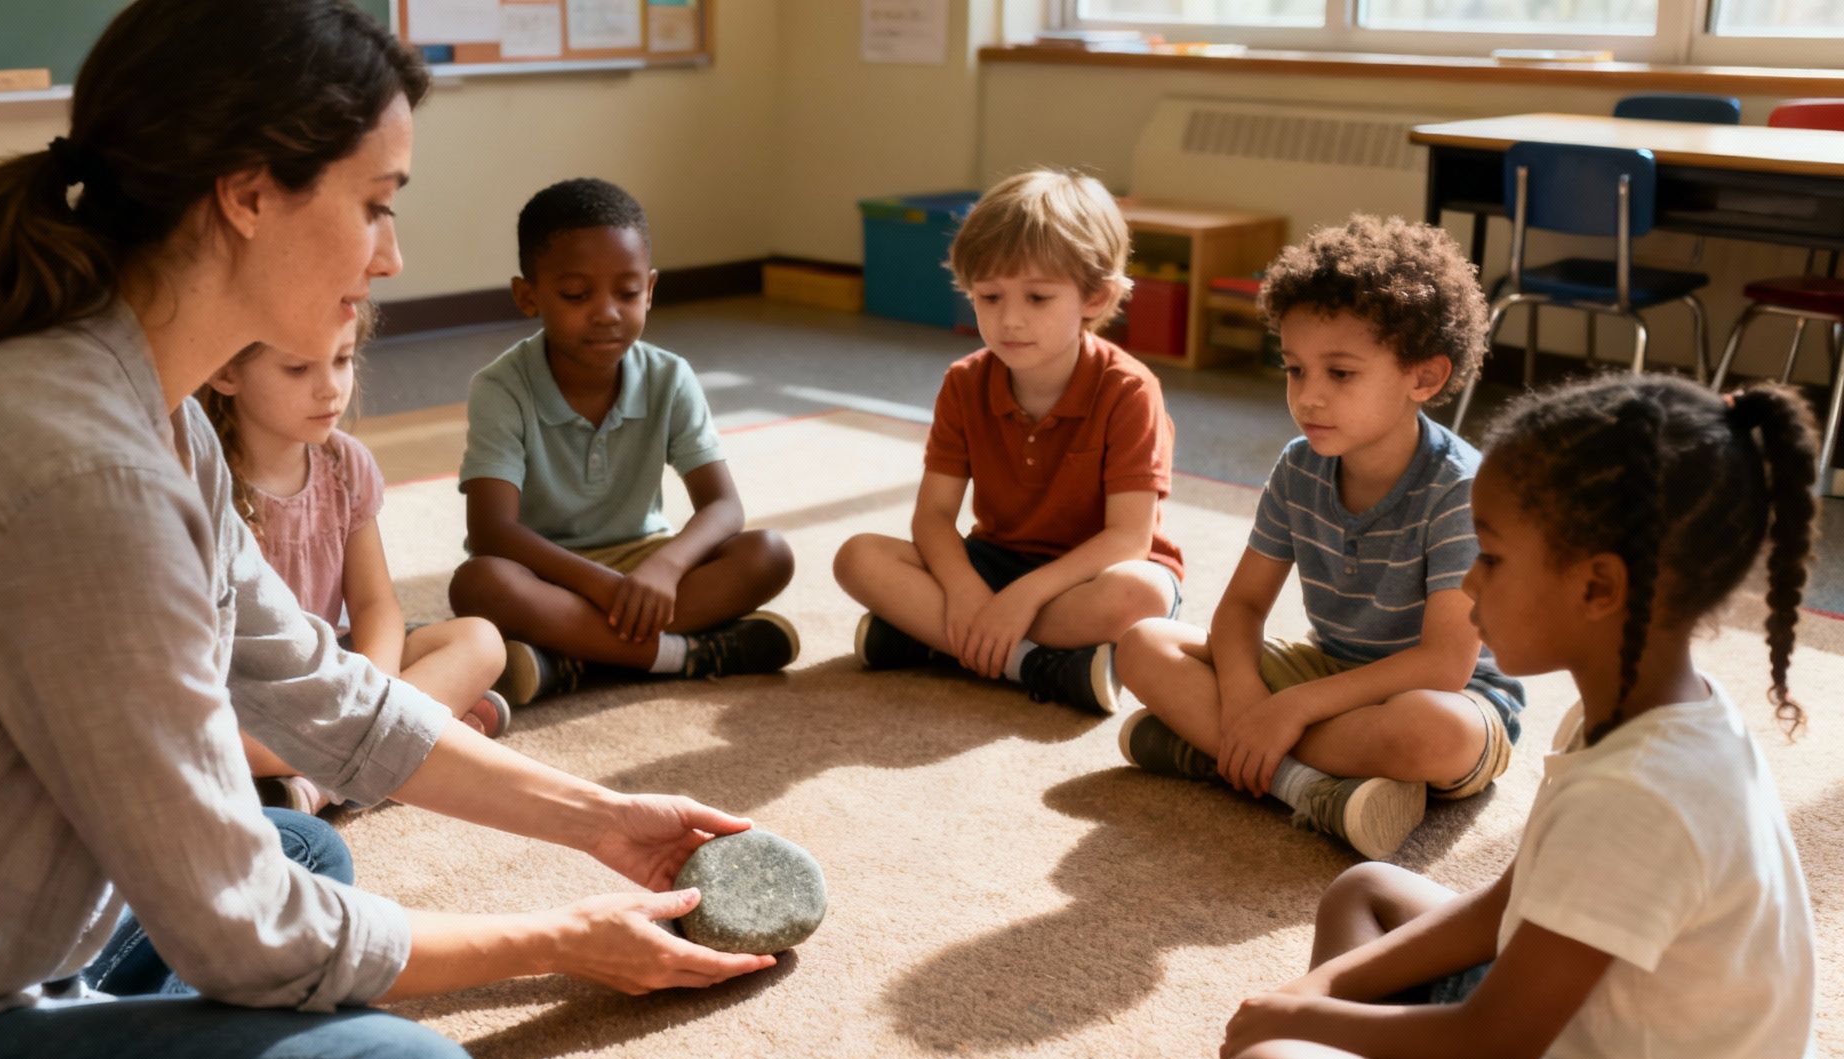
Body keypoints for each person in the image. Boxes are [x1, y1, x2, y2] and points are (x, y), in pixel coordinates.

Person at [0, 4, 770, 1059]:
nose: (392, 251)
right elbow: (246, 934)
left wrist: (602, 818)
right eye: (376, 202)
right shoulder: (82, 478)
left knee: (302, 846)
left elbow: (321, 691)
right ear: (247, 193)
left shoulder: (146, 411)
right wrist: (561, 936)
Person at [1084, 374, 1822, 1059]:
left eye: (1492, 559)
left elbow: (1491, 1050)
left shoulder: (1644, 793)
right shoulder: (1645, 710)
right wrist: (1326, 992)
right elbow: (1516, 900)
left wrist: (1307, 1020)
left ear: (1599, 586)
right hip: (1591, 1044)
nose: (1468, 583)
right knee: (1365, 891)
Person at [1113, 216, 1524, 858]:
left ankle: (1220, 749)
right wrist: (1251, 695)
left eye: (1340, 374)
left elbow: (1445, 665)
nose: (1309, 397)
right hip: (1330, 673)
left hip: (1442, 695)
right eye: (1295, 369)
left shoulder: (1460, 490)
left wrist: (1291, 709)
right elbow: (1244, 606)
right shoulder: (1299, 465)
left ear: (1424, 377)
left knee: (1431, 733)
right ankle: (1301, 782)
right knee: (1142, 643)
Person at [833, 169, 1183, 715]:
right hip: (993, 562)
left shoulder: (1129, 390)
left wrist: (1022, 598)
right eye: (989, 296)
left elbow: (1128, 539)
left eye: (1038, 298)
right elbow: (933, 518)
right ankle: (1033, 663)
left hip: (1090, 575)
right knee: (857, 558)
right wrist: (968, 590)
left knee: (1142, 597)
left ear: (1096, 297)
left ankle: (936, 639)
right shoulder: (964, 382)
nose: (1009, 319)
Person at [449, 177, 798, 706]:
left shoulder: (669, 377)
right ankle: (680, 655)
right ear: (528, 296)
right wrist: (600, 586)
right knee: (479, 585)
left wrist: (666, 565)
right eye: (576, 294)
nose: (607, 311)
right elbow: (493, 530)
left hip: (645, 569)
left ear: (650, 289)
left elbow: (724, 507)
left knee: (769, 554)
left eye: (628, 292)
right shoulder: (500, 388)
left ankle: (569, 661)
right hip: (550, 573)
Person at [199, 302, 511, 813]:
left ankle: (321, 786)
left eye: (343, 360)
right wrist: (371, 715)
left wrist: (375, 695)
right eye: (299, 368)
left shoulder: (345, 464)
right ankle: (417, 743)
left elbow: (374, 603)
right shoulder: (208, 479)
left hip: (337, 666)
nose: (330, 388)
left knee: (480, 641)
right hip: (254, 690)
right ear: (226, 371)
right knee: (219, 740)